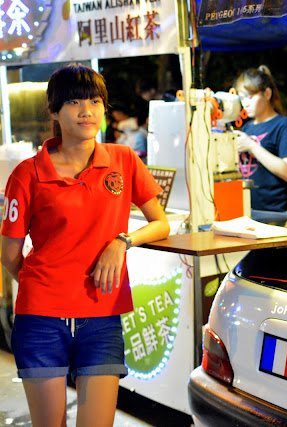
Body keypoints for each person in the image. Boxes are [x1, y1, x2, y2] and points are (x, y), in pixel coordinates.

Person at [0, 63, 170, 426]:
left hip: (102, 318)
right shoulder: (27, 174)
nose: (86, 111)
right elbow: (9, 255)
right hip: (41, 320)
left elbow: (161, 223)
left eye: (95, 101)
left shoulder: (124, 160)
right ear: (54, 111)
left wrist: (121, 242)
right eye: (74, 102)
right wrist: (46, 288)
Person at [232, 65, 287, 212]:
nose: (246, 103)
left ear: (267, 94)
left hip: (276, 213)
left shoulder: (283, 124)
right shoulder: (247, 127)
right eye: (242, 98)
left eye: (250, 97)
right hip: (248, 210)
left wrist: (252, 146)